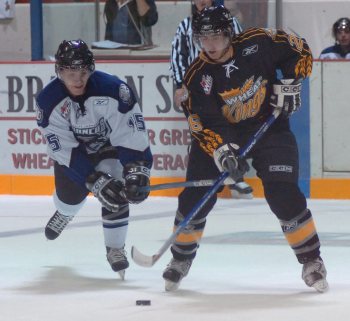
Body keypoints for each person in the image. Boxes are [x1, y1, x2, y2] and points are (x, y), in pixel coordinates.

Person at [162, 6, 328, 293]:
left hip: (269, 127)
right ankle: (180, 259)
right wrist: (223, 151)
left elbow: (299, 49)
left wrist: (289, 83)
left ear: (228, 33)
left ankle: (312, 260)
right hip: (222, 134)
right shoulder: (197, 75)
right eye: (202, 38)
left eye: (215, 36)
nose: (209, 45)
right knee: (195, 198)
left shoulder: (258, 42)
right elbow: (201, 124)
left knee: (283, 193)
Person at [35, 39, 152, 279]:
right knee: (69, 199)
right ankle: (66, 213)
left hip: (109, 148)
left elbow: (131, 134)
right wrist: (92, 179)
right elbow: (63, 149)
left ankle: (115, 248)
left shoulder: (114, 90)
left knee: (118, 185)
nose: (77, 79)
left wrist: (137, 170)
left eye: (83, 72)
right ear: (59, 71)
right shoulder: (48, 101)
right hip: (75, 154)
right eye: (70, 72)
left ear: (91, 68)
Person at [170, 0, 252, 199]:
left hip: (227, 87)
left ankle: (236, 176)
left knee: (232, 127)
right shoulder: (185, 26)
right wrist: (181, 84)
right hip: (198, 90)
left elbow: (243, 49)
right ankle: (206, 178)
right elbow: (178, 56)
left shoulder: (230, 23)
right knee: (202, 131)